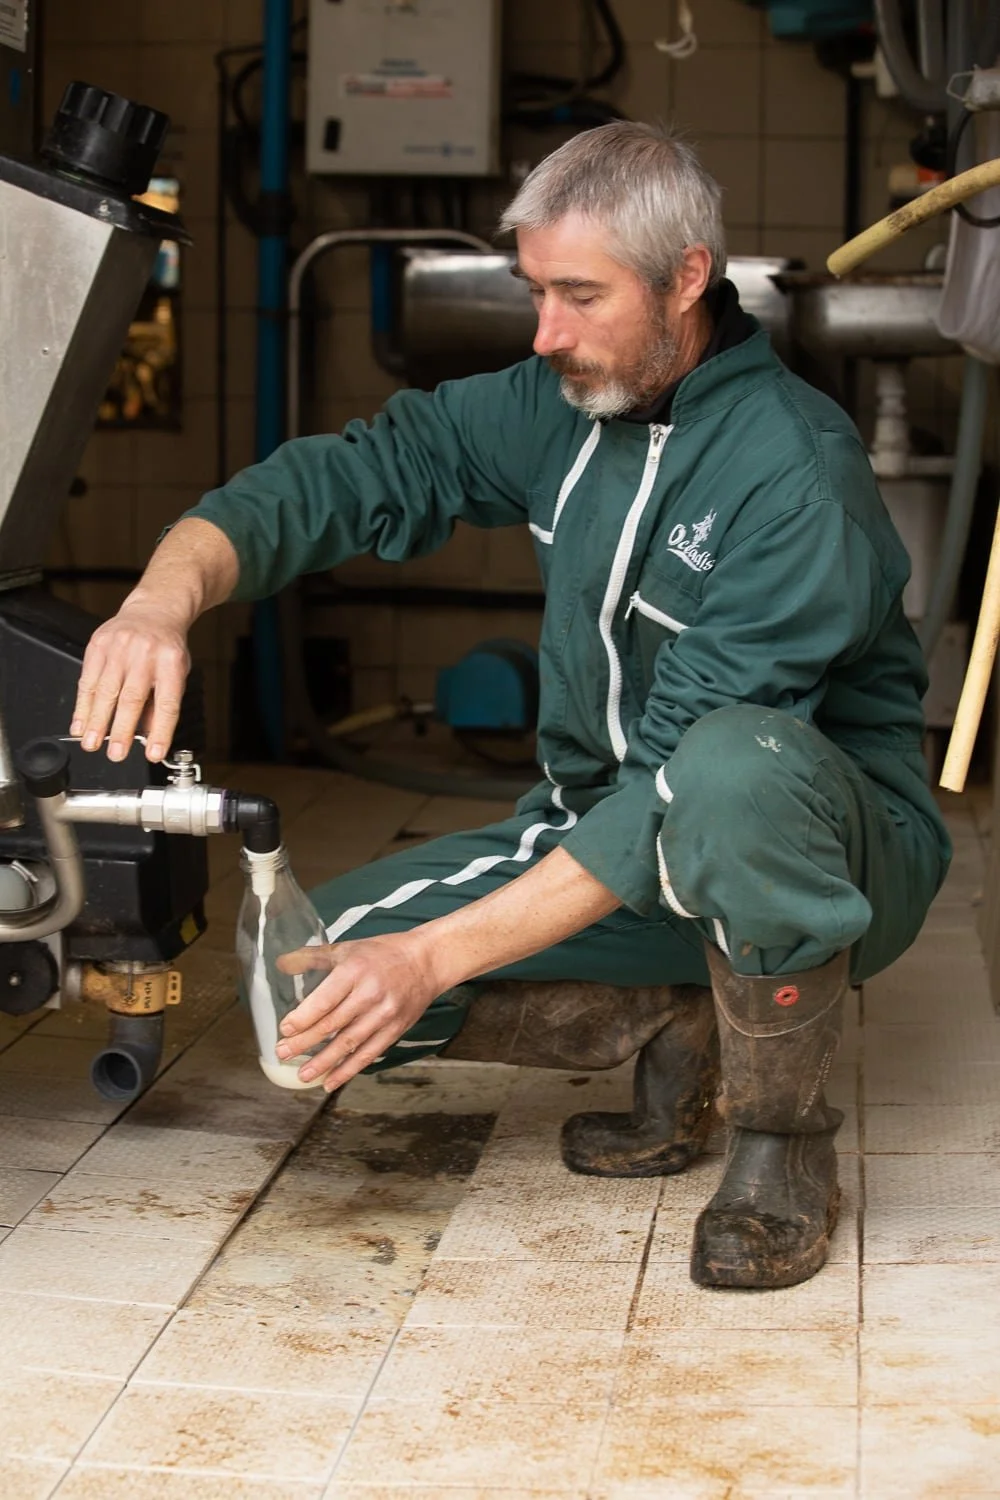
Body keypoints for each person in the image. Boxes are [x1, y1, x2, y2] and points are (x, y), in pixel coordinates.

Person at [70, 122, 950, 1290]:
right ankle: (679, 1022)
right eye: (535, 291)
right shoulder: (558, 404)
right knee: (307, 992)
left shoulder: (793, 471)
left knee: (729, 772)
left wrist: (432, 959)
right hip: (602, 828)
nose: (546, 332)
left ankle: (781, 1142)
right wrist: (159, 601)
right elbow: (348, 475)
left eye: (580, 295)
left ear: (688, 277)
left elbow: (681, 788)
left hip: (832, 848)